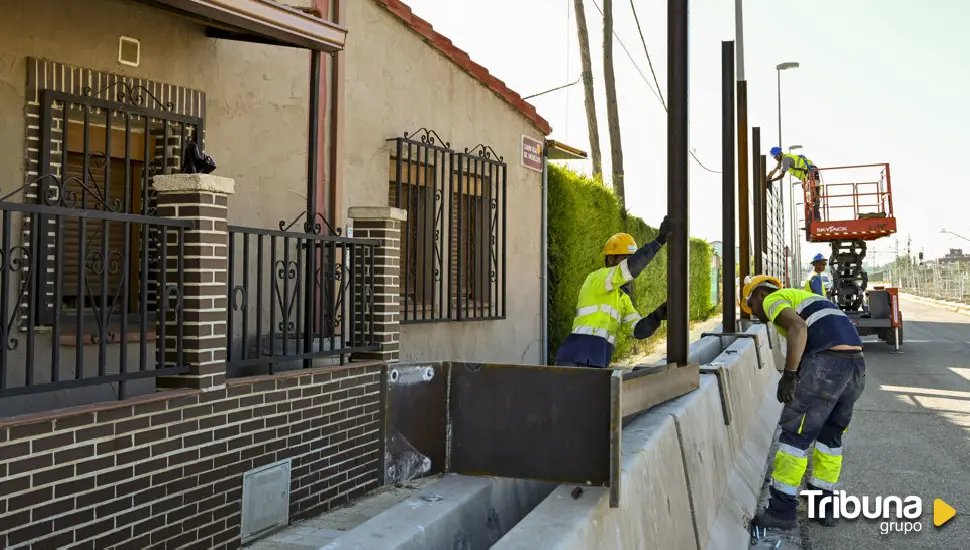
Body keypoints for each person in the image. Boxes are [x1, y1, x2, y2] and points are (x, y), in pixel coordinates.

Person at [741, 275, 866, 530]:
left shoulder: (774, 299)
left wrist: (789, 376)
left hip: (827, 366)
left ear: (759, 295)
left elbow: (798, 329)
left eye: (751, 306)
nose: (755, 314)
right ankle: (824, 508)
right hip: (855, 367)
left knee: (794, 438)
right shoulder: (808, 299)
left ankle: (782, 511)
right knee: (830, 440)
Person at [553, 216, 672, 368]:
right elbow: (630, 268)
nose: (630, 262)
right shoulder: (597, 278)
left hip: (596, 360)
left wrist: (657, 316)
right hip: (575, 358)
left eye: (631, 258)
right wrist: (658, 241)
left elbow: (637, 329)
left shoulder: (622, 298)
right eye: (625, 259)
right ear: (610, 260)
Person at [766, 146, 823, 222]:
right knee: (809, 198)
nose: (775, 158)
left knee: (814, 195)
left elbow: (782, 175)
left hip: (811, 173)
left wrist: (772, 180)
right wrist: (769, 176)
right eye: (773, 157)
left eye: (775, 156)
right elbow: (775, 169)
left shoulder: (786, 160)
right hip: (807, 176)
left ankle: (816, 218)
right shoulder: (783, 161)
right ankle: (812, 218)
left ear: (779, 154)